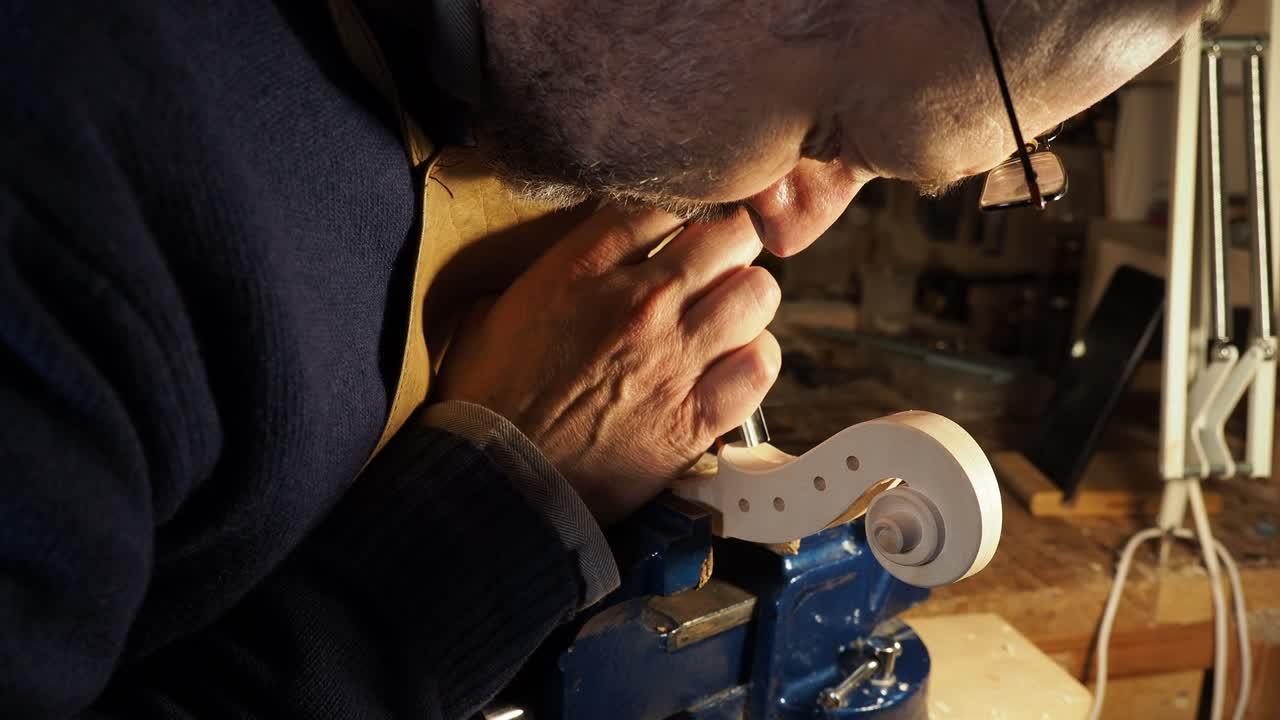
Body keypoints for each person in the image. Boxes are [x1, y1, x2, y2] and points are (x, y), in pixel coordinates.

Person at [0, 0, 1215, 717]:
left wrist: (601, 519)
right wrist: (499, 513)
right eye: (834, 132)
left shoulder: (473, 91)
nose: (792, 222)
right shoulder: (64, 180)